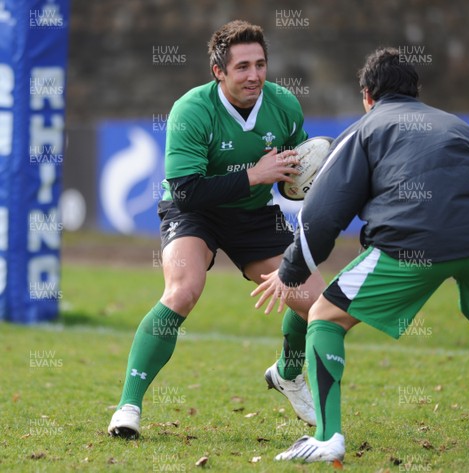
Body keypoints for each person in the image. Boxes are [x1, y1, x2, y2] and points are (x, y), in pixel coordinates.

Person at [252, 47, 469, 463]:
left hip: (411, 244)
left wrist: (290, 271)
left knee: (324, 316)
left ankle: (327, 437)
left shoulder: (365, 128)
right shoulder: (461, 127)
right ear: (415, 91)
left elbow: (321, 216)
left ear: (367, 95)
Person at [108, 20, 325, 439]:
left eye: (260, 64)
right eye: (242, 66)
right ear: (218, 72)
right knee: (183, 290)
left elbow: (294, 177)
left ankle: (288, 373)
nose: (254, 75)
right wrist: (254, 175)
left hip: (253, 215)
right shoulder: (192, 110)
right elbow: (187, 193)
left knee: (316, 305)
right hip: (194, 211)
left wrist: (296, 178)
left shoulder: (283, 105)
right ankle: (128, 405)